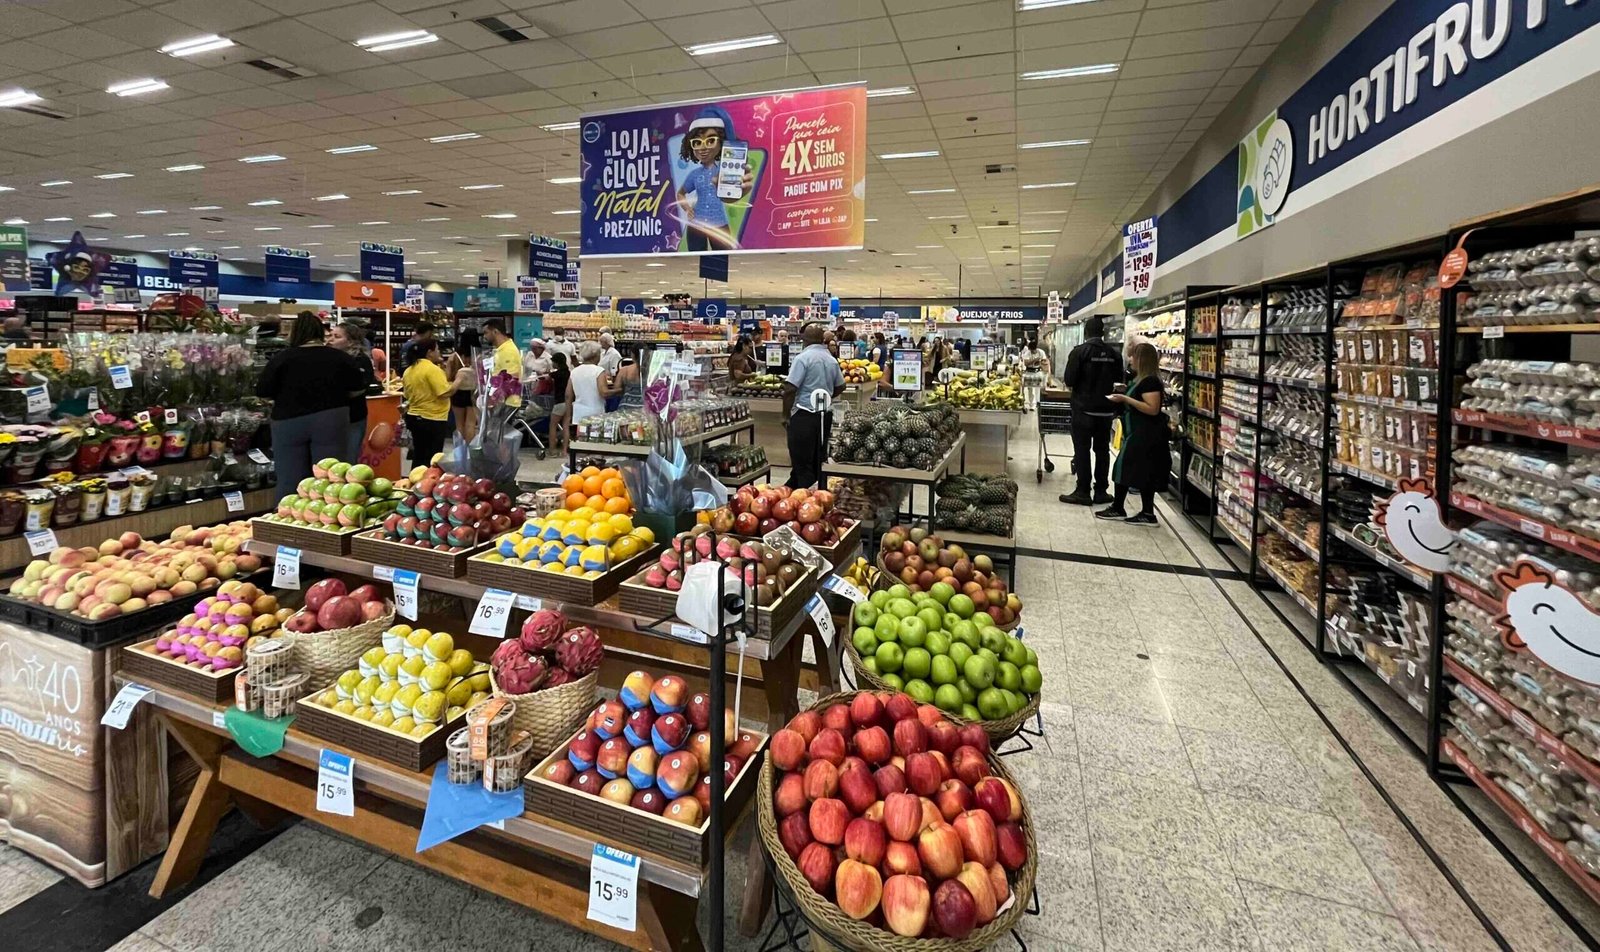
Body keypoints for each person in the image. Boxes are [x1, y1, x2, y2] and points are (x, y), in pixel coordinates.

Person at [256, 313, 364, 492]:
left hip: (288, 422)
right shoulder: (340, 358)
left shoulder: (281, 358)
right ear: (320, 332)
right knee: (330, 476)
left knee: (289, 478)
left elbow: (263, 393)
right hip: (331, 419)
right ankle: (328, 513)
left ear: (295, 332)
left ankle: (287, 515)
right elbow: (357, 390)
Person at [1096, 343, 1170, 525]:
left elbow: (1152, 409)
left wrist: (1125, 398)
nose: (1130, 360)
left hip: (1144, 434)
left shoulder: (1150, 381)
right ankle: (1139, 510)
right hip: (1136, 432)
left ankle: (1124, 508)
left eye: (1133, 356)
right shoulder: (1140, 379)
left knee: (1124, 467)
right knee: (1140, 471)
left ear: (1142, 359)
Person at [1060, 315, 1124, 506]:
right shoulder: (1115, 355)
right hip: (1105, 412)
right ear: (1102, 333)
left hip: (1083, 410)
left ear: (1086, 332)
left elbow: (1069, 380)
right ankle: (1101, 491)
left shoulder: (1079, 352)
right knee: (1102, 450)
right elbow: (1119, 384)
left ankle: (1082, 491)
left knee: (1082, 450)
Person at [782, 321, 845, 489]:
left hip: (803, 414)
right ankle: (794, 489)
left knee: (801, 460)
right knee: (818, 457)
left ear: (804, 338)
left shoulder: (803, 358)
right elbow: (841, 385)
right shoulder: (831, 359)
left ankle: (803, 497)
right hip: (824, 415)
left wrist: (785, 415)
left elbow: (790, 388)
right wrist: (827, 397)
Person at [402, 340, 472, 467]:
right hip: (432, 418)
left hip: (414, 417)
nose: (439, 352)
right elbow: (445, 392)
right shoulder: (432, 369)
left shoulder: (409, 370)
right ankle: (426, 482)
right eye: (437, 349)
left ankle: (415, 480)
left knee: (419, 455)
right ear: (429, 352)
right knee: (432, 457)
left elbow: (406, 394)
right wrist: (459, 379)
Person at [327, 322, 380, 460]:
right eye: (331, 335)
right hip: (330, 417)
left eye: (337, 336)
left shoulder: (360, 360)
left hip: (353, 416)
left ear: (351, 341)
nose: (331, 339)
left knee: (349, 457)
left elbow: (360, 387)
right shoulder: (328, 358)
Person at [567, 341, 619, 441]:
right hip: (595, 413)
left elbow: (568, 395)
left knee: (581, 441)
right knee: (593, 442)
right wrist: (619, 390)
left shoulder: (574, 371)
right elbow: (603, 392)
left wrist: (569, 415)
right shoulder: (598, 371)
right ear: (595, 355)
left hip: (579, 413)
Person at [444, 328, 481, 443]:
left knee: (459, 425)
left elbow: (447, 377)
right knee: (470, 424)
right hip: (474, 393)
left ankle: (460, 453)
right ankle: (471, 453)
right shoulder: (479, 356)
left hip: (457, 392)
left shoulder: (454, 357)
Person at [482, 318, 522, 409]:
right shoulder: (500, 350)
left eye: (486, 332)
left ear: (495, 332)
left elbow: (512, 378)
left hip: (507, 403)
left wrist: (495, 398)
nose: (484, 336)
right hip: (500, 401)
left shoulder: (508, 351)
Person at [548, 352, 572, 456]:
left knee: (553, 426)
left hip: (559, 403)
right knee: (566, 426)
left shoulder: (556, 374)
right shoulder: (568, 373)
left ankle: (552, 450)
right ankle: (564, 451)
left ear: (556, 363)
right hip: (568, 402)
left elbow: (546, 377)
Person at [1018, 337, 1050, 411]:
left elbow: (1044, 361)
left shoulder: (1041, 352)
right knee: (1030, 389)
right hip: (1029, 372)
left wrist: (1042, 364)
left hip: (1038, 372)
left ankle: (1037, 404)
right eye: (1031, 350)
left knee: (1038, 389)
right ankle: (1031, 405)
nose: (1032, 351)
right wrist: (1035, 360)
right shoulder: (1027, 353)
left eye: (1033, 350)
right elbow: (1026, 363)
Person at [598, 332, 624, 411]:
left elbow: (614, 371)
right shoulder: (603, 353)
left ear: (607, 342)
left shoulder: (614, 354)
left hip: (610, 382)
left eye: (602, 342)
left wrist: (610, 383)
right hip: (604, 380)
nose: (600, 344)